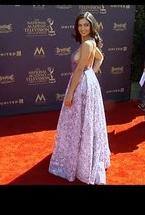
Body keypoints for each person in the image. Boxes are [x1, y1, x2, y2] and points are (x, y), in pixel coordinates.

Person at [48, 12, 111, 185]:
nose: (82, 28)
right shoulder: (90, 42)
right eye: (80, 25)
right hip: (88, 82)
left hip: (81, 85)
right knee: (84, 122)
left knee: (79, 121)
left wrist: (69, 94)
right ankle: (82, 155)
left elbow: (78, 70)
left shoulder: (87, 44)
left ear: (92, 26)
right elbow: (100, 57)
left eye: (86, 25)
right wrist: (93, 72)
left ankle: (80, 161)